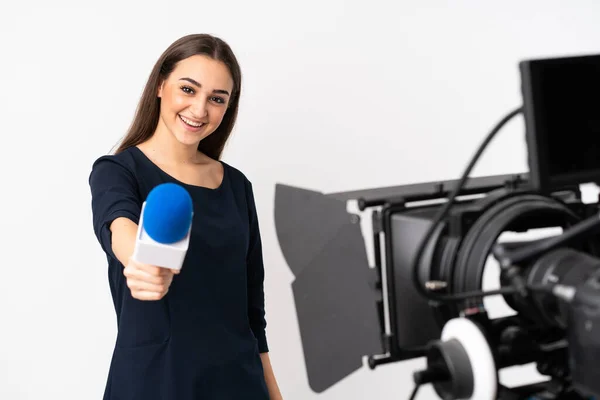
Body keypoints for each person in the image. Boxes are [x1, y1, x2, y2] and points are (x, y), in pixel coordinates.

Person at [88, 33, 283, 400]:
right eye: (188, 90)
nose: (199, 110)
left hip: (238, 384)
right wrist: (143, 264)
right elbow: (119, 226)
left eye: (216, 99)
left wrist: (274, 395)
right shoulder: (118, 171)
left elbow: (252, 316)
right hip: (156, 383)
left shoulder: (237, 187)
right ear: (161, 85)